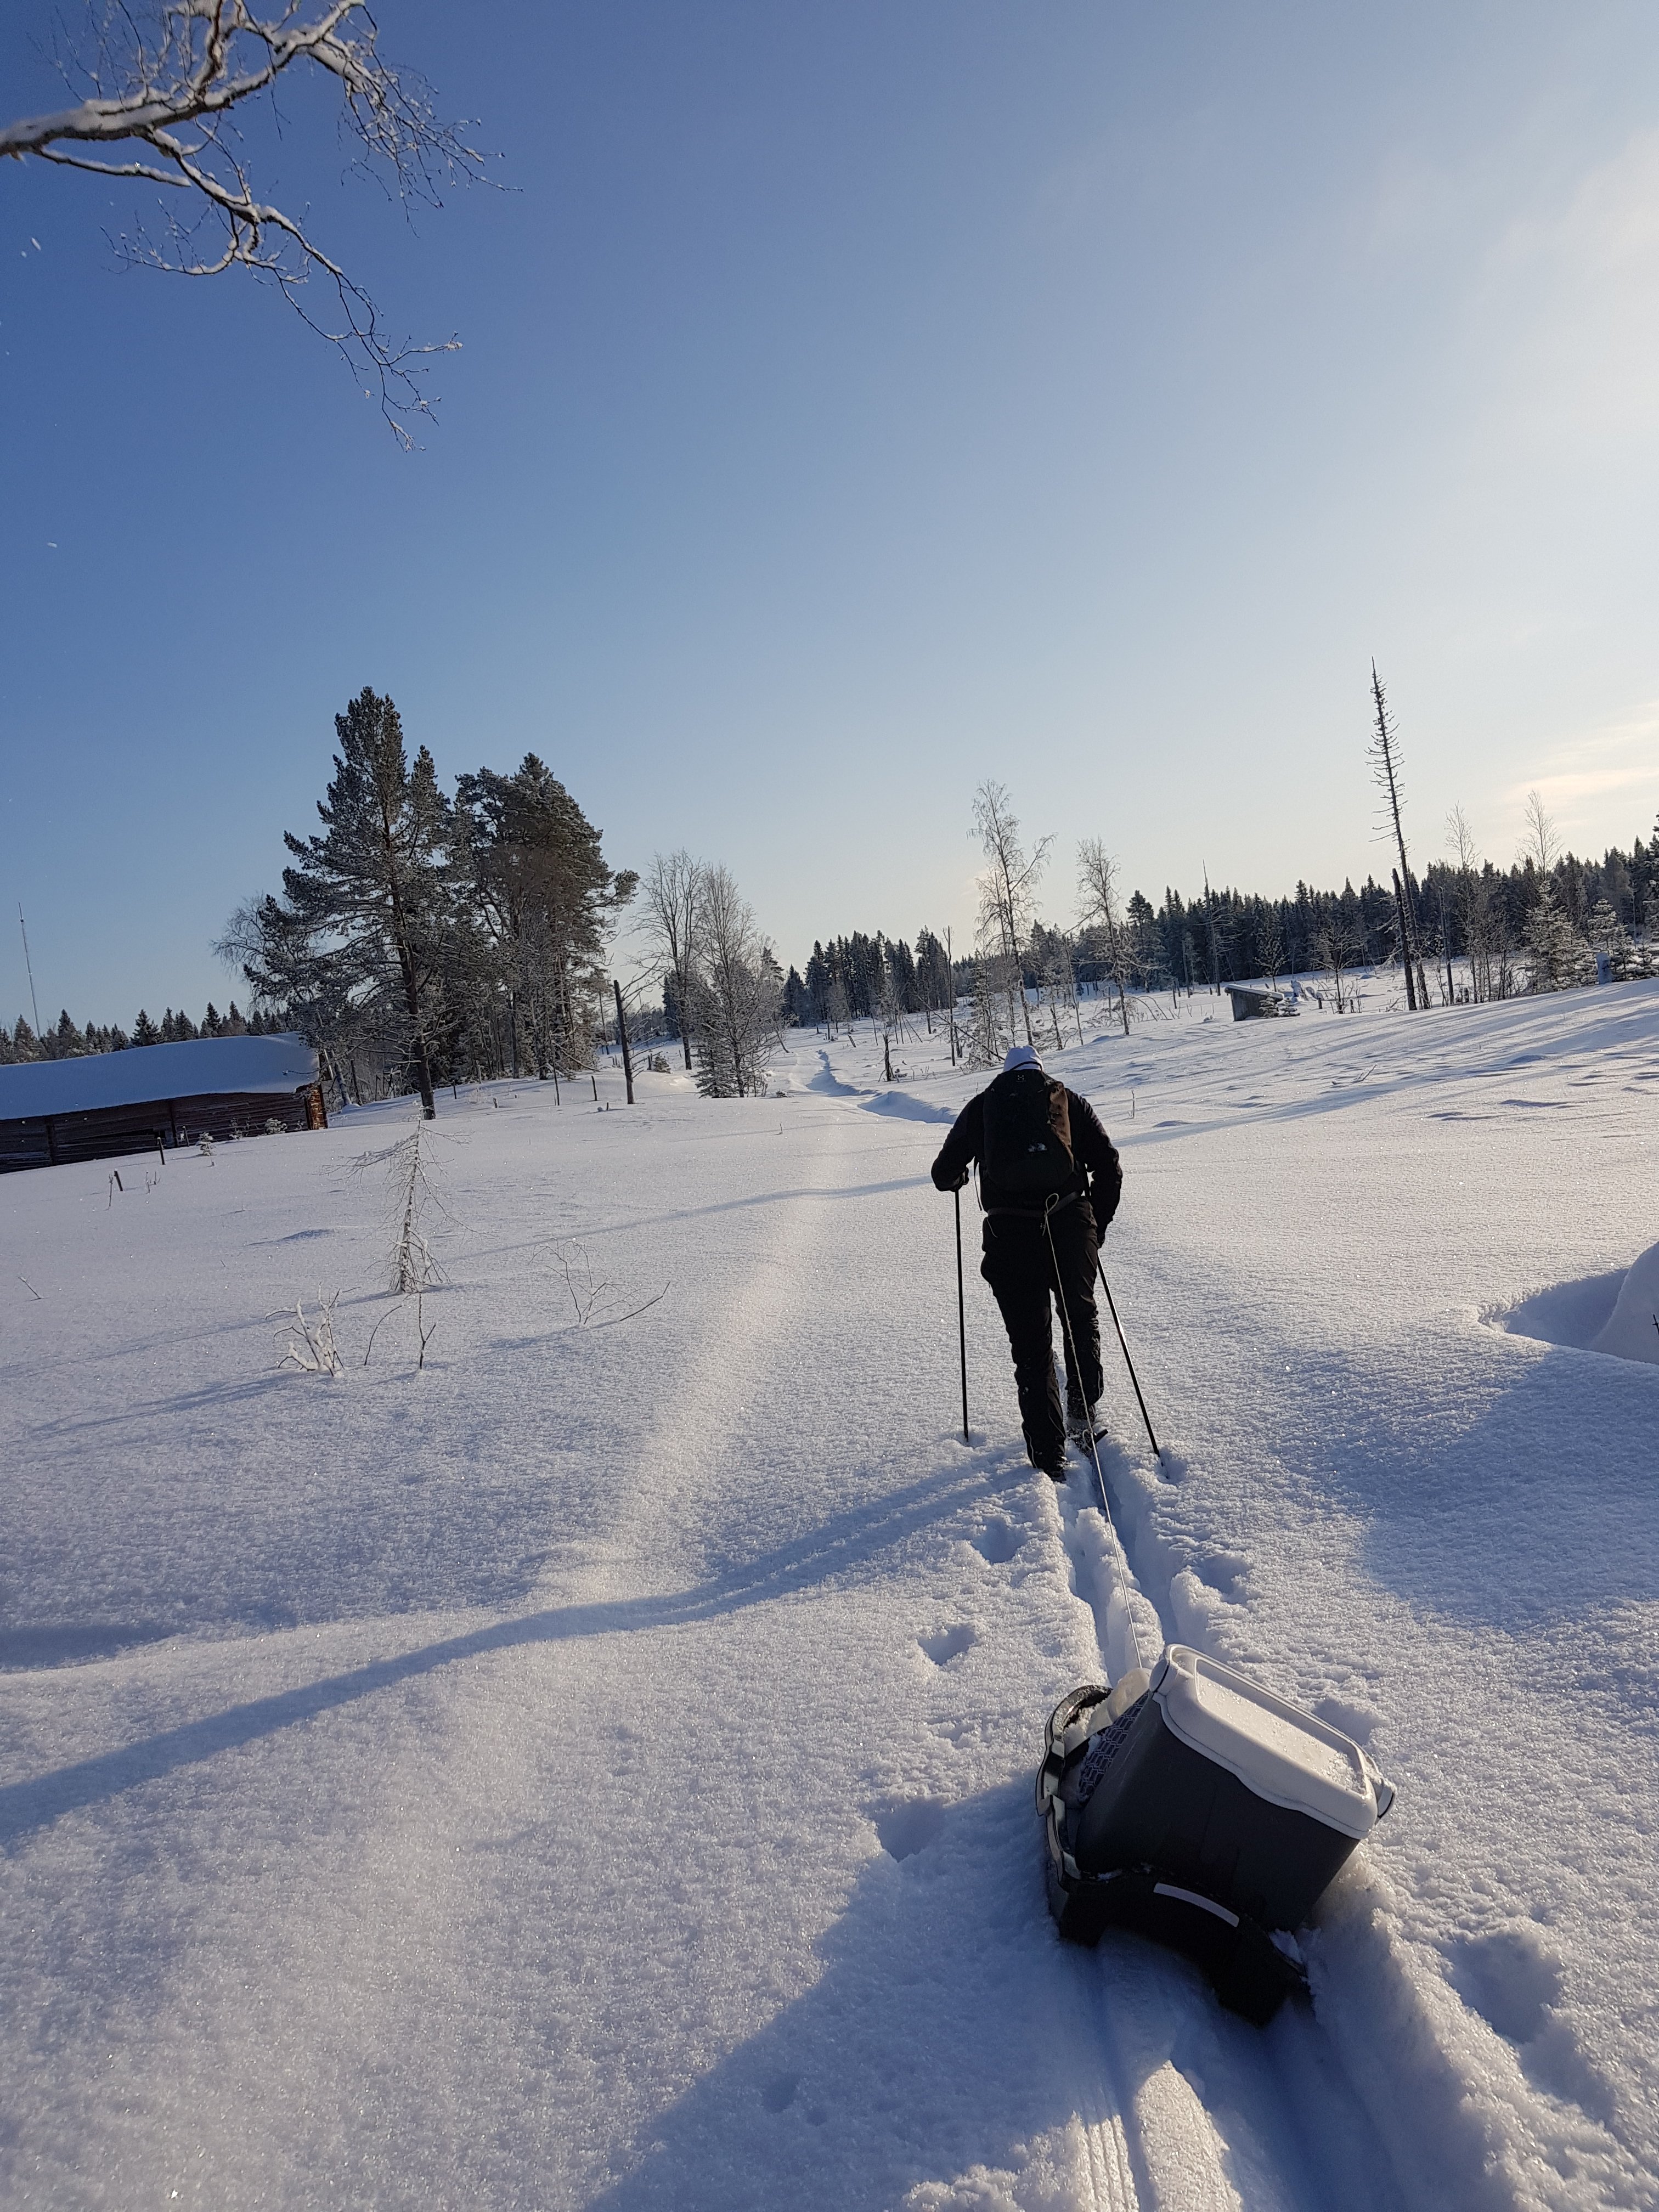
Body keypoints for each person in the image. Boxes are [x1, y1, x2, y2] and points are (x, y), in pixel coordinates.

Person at [931, 1042, 1122, 1481]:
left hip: (1009, 1236)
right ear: (1041, 1071)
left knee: (1032, 1347)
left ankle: (1047, 1454)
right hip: (1069, 1225)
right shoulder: (1069, 1101)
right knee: (1079, 1317)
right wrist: (1096, 1226)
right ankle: (1083, 1411)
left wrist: (961, 1176)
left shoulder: (983, 1106)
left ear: (1006, 1073)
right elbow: (1109, 1167)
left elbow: (943, 1174)